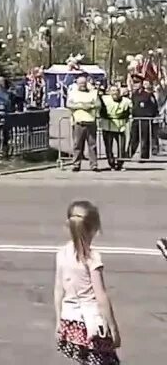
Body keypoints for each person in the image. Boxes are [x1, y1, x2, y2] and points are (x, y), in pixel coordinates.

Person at [55, 201, 120, 364]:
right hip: (92, 324)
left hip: (70, 321)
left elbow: (58, 290)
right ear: (94, 229)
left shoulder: (62, 254)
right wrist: (113, 328)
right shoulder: (92, 258)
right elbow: (101, 297)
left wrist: (59, 321)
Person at [68, 77, 101, 172]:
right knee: (77, 145)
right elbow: (69, 104)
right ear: (77, 84)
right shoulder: (73, 93)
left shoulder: (93, 93)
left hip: (91, 122)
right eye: (80, 83)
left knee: (92, 145)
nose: (82, 85)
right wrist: (81, 106)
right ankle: (76, 164)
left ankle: (94, 165)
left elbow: (98, 104)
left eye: (84, 83)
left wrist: (90, 106)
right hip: (79, 123)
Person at [99, 86, 131, 172]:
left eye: (116, 90)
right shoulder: (104, 99)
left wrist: (124, 115)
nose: (114, 92)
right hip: (107, 127)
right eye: (112, 91)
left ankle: (120, 164)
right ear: (109, 92)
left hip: (120, 127)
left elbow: (130, 111)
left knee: (121, 147)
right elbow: (100, 109)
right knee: (108, 147)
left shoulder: (126, 101)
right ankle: (111, 164)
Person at [129, 78, 159, 163]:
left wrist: (152, 115)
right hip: (136, 119)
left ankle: (144, 156)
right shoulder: (134, 95)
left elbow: (154, 106)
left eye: (137, 83)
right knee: (134, 137)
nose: (135, 85)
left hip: (146, 119)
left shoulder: (148, 95)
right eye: (134, 83)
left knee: (145, 138)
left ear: (141, 84)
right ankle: (129, 154)